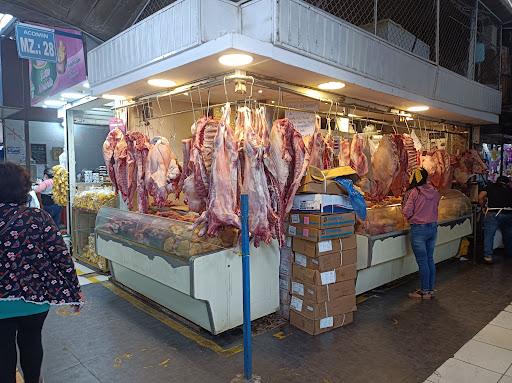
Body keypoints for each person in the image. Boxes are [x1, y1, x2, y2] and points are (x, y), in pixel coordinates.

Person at [0, 162, 84, 383]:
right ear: (24, 188)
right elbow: (61, 257)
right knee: (32, 342)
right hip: (35, 299)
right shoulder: (38, 218)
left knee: (3, 351)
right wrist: (75, 292)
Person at [402, 167, 441, 300]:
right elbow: (436, 206)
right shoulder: (434, 190)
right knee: (430, 259)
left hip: (419, 229)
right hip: (432, 228)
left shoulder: (414, 192)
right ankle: (430, 289)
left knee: (423, 261)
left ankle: (424, 292)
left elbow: (407, 211)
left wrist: (410, 215)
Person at [478, 175, 512, 264]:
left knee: (489, 235)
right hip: (508, 213)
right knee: (508, 234)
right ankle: (509, 252)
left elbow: (480, 197)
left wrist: (483, 207)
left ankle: (488, 257)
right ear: (507, 182)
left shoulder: (490, 186)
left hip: (493, 213)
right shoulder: (509, 188)